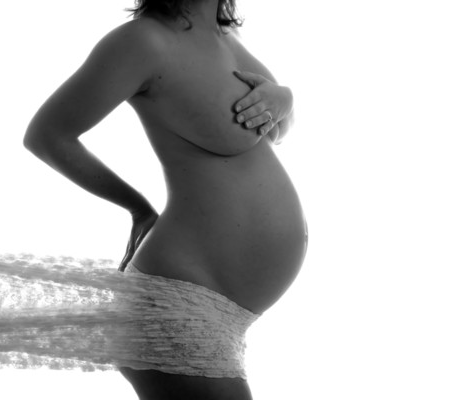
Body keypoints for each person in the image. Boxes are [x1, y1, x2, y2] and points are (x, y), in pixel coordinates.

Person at [23, 0, 307, 399]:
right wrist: (137, 206)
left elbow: (272, 132)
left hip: (217, 311)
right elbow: (47, 136)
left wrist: (284, 99)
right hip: (179, 308)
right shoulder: (143, 41)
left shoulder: (226, 36)